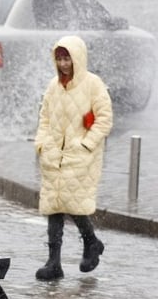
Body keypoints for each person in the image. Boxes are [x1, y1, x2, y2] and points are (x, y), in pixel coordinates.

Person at [33, 35, 113, 281]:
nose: (63, 64)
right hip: (54, 154)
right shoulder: (53, 86)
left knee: (73, 203)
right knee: (54, 206)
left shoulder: (93, 84)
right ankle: (54, 262)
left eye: (67, 58)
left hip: (80, 156)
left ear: (77, 58)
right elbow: (44, 117)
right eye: (59, 58)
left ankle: (90, 242)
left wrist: (86, 145)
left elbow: (104, 118)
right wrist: (42, 144)